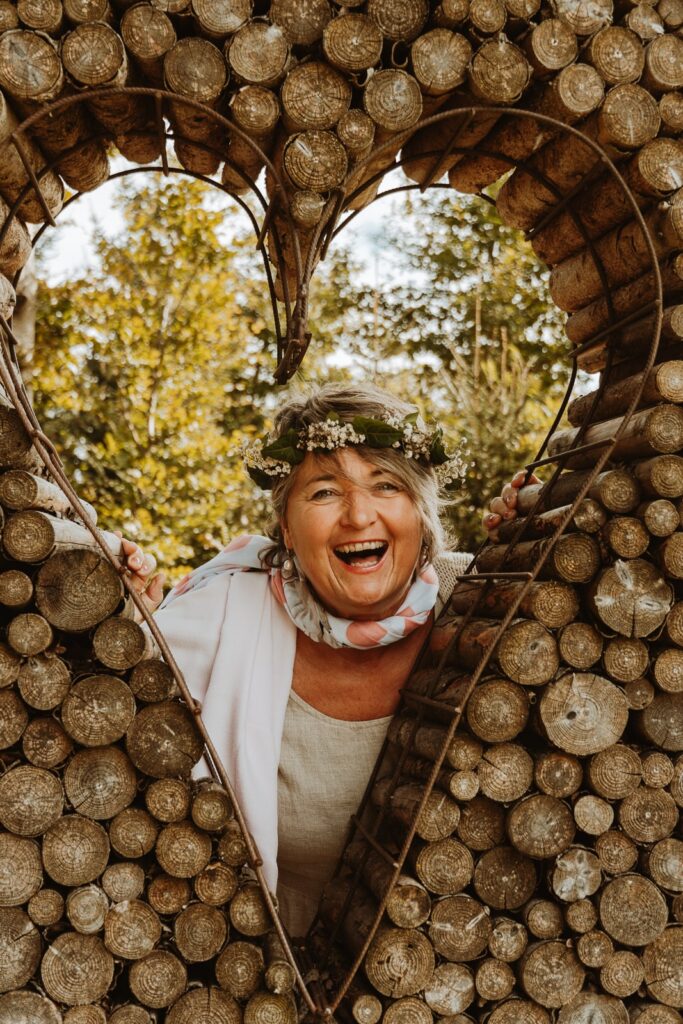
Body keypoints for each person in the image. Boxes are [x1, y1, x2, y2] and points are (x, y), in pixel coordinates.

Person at [118, 383, 528, 937]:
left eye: (386, 485)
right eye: (324, 493)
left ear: (421, 514)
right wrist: (120, 622)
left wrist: (541, 521)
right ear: (286, 526)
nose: (359, 516)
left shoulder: (480, 599)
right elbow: (108, 697)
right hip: (259, 960)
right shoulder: (221, 615)